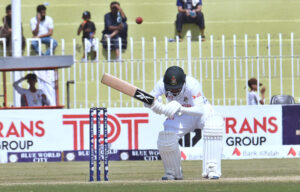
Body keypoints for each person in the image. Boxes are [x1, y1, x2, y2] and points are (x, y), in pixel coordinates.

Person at [146, 66, 224, 180]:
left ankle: (211, 168)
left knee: (214, 124)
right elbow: (148, 101)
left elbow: (200, 109)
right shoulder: (161, 84)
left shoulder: (192, 84)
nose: (174, 91)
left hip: (199, 112)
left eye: (177, 89)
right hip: (181, 116)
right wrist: (158, 107)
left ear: (184, 82)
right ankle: (173, 171)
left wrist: (181, 108)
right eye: (171, 89)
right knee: (166, 138)